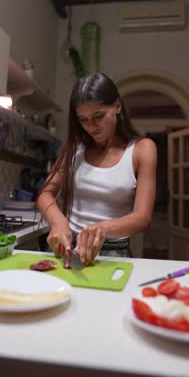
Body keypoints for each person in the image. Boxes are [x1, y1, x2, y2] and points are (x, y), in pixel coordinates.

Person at [37, 72, 157, 264]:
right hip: (68, 246)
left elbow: (143, 217)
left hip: (112, 252)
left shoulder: (142, 149)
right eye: (83, 119)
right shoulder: (75, 147)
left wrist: (102, 228)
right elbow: (45, 194)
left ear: (117, 106)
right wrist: (58, 221)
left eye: (98, 116)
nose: (91, 126)